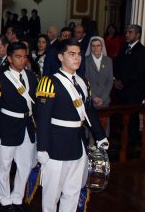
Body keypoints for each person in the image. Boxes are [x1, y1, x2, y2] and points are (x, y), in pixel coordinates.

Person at [35, 38, 108, 212]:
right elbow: (43, 118)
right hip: (55, 144)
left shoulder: (83, 82)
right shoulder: (49, 81)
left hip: (78, 142)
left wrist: (100, 136)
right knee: (52, 194)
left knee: (73, 191)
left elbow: (89, 112)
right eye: (71, 54)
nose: (77, 58)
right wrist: (42, 148)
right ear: (61, 57)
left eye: (79, 54)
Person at [0, 42, 38, 212]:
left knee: (25, 165)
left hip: (27, 125)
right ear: (10, 58)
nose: (22, 60)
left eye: (25, 57)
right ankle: (5, 199)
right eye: (18, 57)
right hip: (7, 126)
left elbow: (35, 104)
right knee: (5, 166)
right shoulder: (0, 78)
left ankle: (17, 197)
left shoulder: (32, 76)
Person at [113, 24, 145, 146]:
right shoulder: (124, 48)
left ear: (137, 35)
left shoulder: (142, 51)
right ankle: (121, 139)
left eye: (130, 32)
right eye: (126, 31)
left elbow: (138, 72)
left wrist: (123, 82)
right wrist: (116, 79)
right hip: (122, 89)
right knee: (121, 117)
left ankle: (131, 143)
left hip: (134, 90)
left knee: (132, 118)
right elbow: (117, 65)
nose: (127, 34)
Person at [84, 37, 113, 108]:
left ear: (102, 47)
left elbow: (110, 81)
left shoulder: (108, 60)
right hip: (90, 99)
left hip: (105, 100)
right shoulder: (85, 60)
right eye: (93, 46)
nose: (95, 48)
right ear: (90, 47)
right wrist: (94, 97)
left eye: (98, 45)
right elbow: (84, 80)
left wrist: (102, 98)